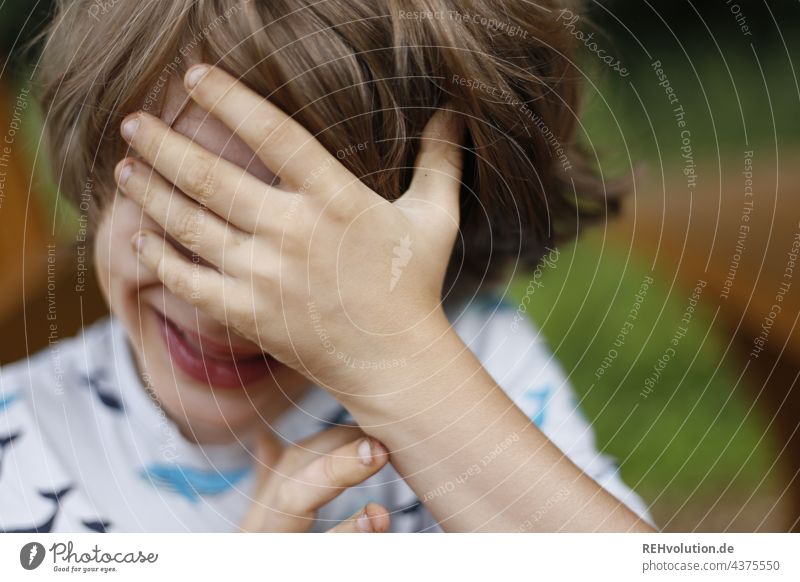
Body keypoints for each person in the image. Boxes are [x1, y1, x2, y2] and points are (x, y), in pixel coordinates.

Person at [0, 0, 653, 532]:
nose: (218, 300)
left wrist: (397, 362)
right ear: (94, 183)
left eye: (298, 242)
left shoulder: (474, 361)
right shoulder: (22, 441)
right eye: (179, 206)